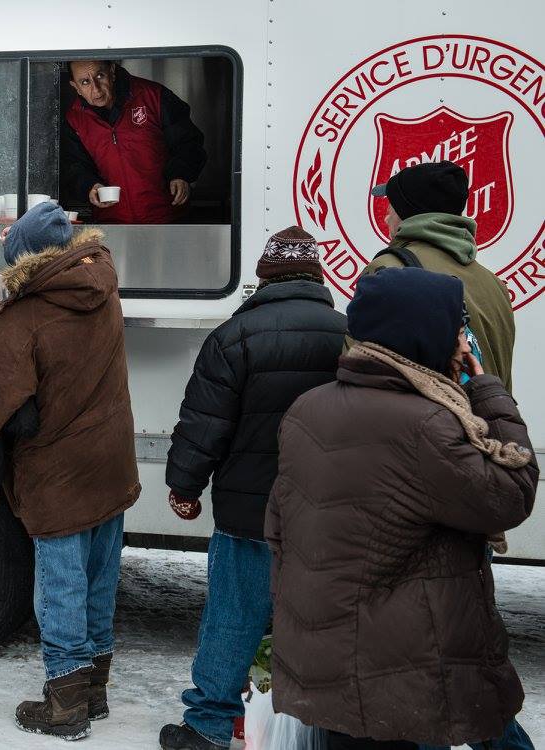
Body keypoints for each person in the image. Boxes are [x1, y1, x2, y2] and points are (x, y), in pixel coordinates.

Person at [266, 267, 538, 749]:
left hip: (328, 657)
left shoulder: (307, 407)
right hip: (402, 667)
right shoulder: (427, 424)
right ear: (421, 333)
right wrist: (491, 392)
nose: (462, 344)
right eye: (456, 329)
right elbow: (510, 496)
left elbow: (279, 525)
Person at [0, 201, 141, 741]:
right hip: (110, 462)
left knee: (59, 588)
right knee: (98, 581)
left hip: (58, 475)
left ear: (24, 262)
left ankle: (65, 703)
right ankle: (95, 690)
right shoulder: (102, 287)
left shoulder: (26, 317)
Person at [159, 227, 348, 750]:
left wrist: (185, 486)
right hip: (325, 514)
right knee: (317, 620)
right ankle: (314, 727)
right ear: (317, 276)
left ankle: (210, 723)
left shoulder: (234, 336)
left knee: (233, 617)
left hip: (249, 512)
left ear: (263, 278)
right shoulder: (347, 335)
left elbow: (204, 424)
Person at [365, 160, 514, 391]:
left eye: (390, 208)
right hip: (490, 423)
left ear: (408, 212)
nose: (386, 218)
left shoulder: (389, 271)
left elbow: (360, 373)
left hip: (423, 426)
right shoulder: (495, 285)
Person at [62, 59, 207, 224]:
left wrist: (181, 174)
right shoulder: (74, 119)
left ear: (112, 71)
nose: (96, 89)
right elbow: (73, 166)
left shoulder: (154, 96)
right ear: (76, 87)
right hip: (112, 223)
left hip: (167, 218)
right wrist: (89, 186)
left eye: (100, 75)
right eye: (85, 82)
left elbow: (189, 142)